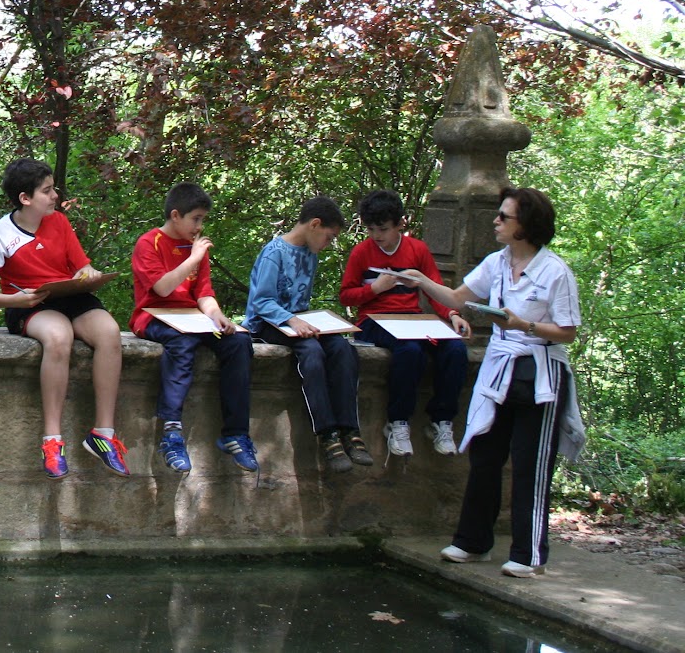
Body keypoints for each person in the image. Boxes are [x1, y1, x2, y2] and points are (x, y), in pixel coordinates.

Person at [401, 187, 585, 578]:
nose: (496, 221)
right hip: (500, 370)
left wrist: (523, 324)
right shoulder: (496, 262)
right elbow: (457, 298)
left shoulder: (555, 272)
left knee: (531, 464)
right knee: (485, 457)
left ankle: (528, 554)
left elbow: (567, 332)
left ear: (526, 224)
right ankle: (473, 542)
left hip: (540, 373)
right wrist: (422, 281)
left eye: (505, 216)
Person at [0, 158, 127, 479]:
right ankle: (52, 441)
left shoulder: (59, 222)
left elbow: (81, 265)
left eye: (53, 188)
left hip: (70, 296)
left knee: (110, 332)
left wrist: (89, 273)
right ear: (25, 198)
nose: (55, 195)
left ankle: (103, 434)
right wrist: (15, 299)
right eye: (47, 190)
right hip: (28, 304)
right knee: (59, 337)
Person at [131, 182, 256, 473]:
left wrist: (217, 315)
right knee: (182, 342)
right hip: (155, 317)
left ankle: (236, 433)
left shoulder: (195, 249)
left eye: (202, 220)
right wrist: (193, 259)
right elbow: (162, 288)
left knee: (239, 343)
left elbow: (203, 293)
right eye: (195, 219)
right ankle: (172, 431)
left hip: (193, 319)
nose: (199, 227)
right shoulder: (149, 243)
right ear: (176, 215)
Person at [244, 195, 372, 474]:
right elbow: (262, 302)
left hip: (297, 322)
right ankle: (327, 434)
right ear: (314, 224)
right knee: (311, 352)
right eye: (329, 236)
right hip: (268, 324)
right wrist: (291, 320)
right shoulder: (274, 252)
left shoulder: (310, 254)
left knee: (343, 349)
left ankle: (350, 429)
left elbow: (300, 300)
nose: (328, 243)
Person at [339, 190, 471, 458]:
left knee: (455, 350)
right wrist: (375, 288)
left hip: (412, 318)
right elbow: (346, 296)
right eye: (371, 229)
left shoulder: (417, 249)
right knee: (410, 351)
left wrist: (453, 315)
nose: (377, 235)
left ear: (400, 224)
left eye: (383, 229)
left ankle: (441, 421)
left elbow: (435, 290)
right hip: (374, 320)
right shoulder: (362, 252)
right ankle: (398, 422)